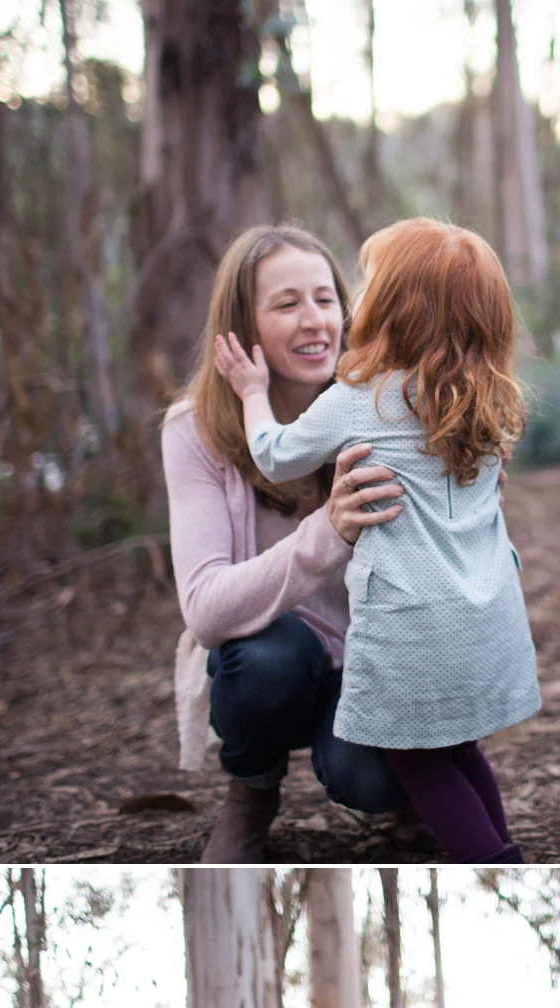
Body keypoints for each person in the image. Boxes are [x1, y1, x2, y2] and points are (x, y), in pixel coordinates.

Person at [218, 217, 540, 864]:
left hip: (412, 625)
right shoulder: (486, 399)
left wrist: (254, 394)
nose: (355, 299)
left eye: (367, 284)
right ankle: (502, 847)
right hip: (487, 614)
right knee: (458, 749)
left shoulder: (362, 398)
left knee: (413, 758)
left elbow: (276, 456)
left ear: (395, 306)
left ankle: (488, 860)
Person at [164, 221, 414, 862]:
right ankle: (251, 791)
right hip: (274, 654)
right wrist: (327, 531)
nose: (315, 322)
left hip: (372, 653)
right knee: (264, 658)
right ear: (241, 326)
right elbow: (206, 609)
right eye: (286, 304)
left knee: (370, 779)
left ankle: (412, 788)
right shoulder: (197, 430)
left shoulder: (386, 407)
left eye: (326, 299)